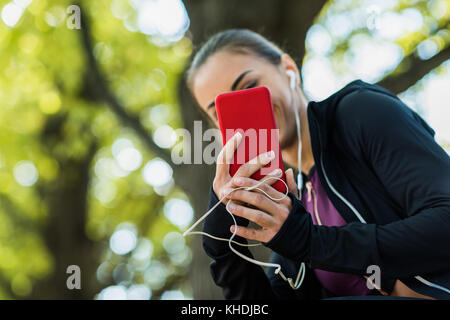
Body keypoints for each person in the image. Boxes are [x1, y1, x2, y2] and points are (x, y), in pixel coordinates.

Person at [185, 29, 450, 299]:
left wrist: (312, 242)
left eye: (250, 87)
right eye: (223, 111)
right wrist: (223, 249)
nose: (246, 110)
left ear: (289, 69)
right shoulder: (292, 198)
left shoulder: (360, 112)